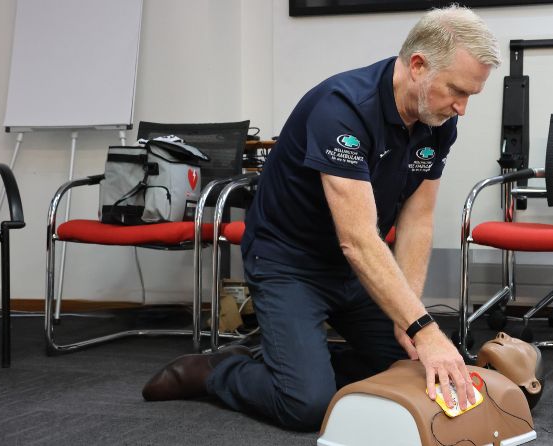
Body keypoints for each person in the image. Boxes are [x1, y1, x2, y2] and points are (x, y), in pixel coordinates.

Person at [142, 5, 501, 431]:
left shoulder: (436, 119)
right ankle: (217, 373)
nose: (462, 108)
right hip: (289, 263)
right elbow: (358, 238)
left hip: (358, 270)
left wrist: (412, 320)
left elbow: (417, 220)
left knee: (417, 371)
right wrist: (424, 328)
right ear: (419, 65)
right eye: (457, 91)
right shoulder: (342, 109)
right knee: (308, 406)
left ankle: (290, 359)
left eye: (470, 96)